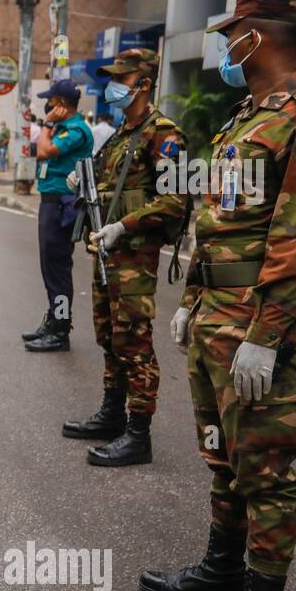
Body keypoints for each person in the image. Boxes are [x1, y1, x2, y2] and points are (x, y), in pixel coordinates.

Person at [141, 0, 296, 591]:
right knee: (222, 457)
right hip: (215, 320)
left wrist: (266, 337)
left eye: (232, 33)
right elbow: (218, 220)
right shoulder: (245, 117)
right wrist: (192, 298)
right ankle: (221, 573)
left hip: (258, 329)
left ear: (257, 37)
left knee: (264, 472)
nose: (226, 46)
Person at [61, 48, 188, 467]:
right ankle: (112, 414)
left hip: (134, 257)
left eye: (121, 79)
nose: (112, 87)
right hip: (105, 253)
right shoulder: (119, 134)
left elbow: (175, 201)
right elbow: (105, 185)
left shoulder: (164, 134)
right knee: (108, 337)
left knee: (134, 341)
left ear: (144, 84)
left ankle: (138, 434)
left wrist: (125, 226)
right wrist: (82, 180)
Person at [24, 80, 94, 352]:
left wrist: (44, 126)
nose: (47, 106)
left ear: (62, 105)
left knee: (58, 270)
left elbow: (44, 151)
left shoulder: (76, 130)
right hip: (51, 203)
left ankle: (61, 329)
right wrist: (49, 126)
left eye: (51, 102)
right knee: (50, 268)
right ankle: (54, 320)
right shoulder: (62, 127)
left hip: (62, 205)